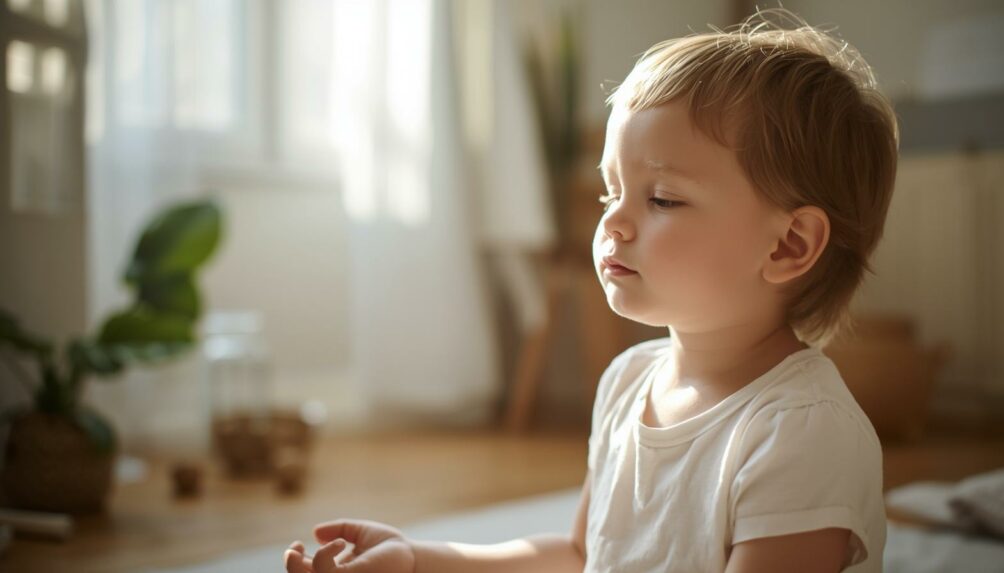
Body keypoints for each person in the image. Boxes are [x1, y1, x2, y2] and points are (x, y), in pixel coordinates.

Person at [284, 7, 897, 573]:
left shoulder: (801, 434)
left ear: (788, 245)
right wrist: (420, 557)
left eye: (661, 198)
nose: (613, 222)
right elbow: (581, 554)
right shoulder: (629, 382)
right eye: (611, 192)